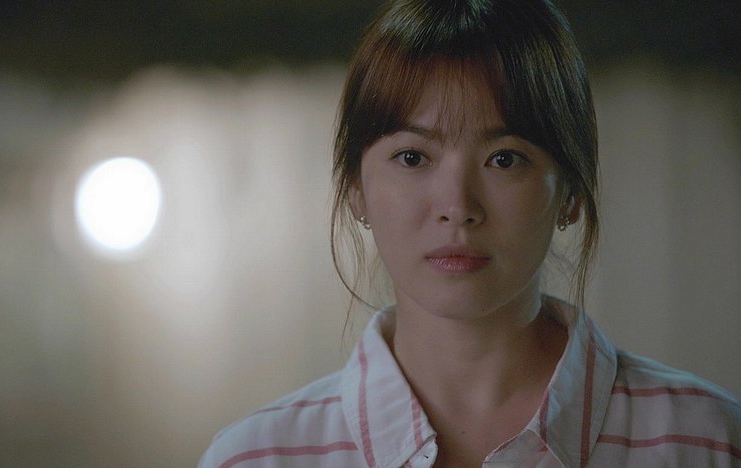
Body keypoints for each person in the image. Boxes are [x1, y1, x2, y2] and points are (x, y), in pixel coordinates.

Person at [199, 0, 741, 466]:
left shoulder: (705, 440)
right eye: (413, 157)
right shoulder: (258, 456)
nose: (457, 207)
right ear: (356, 189)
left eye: (504, 159)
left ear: (571, 193)